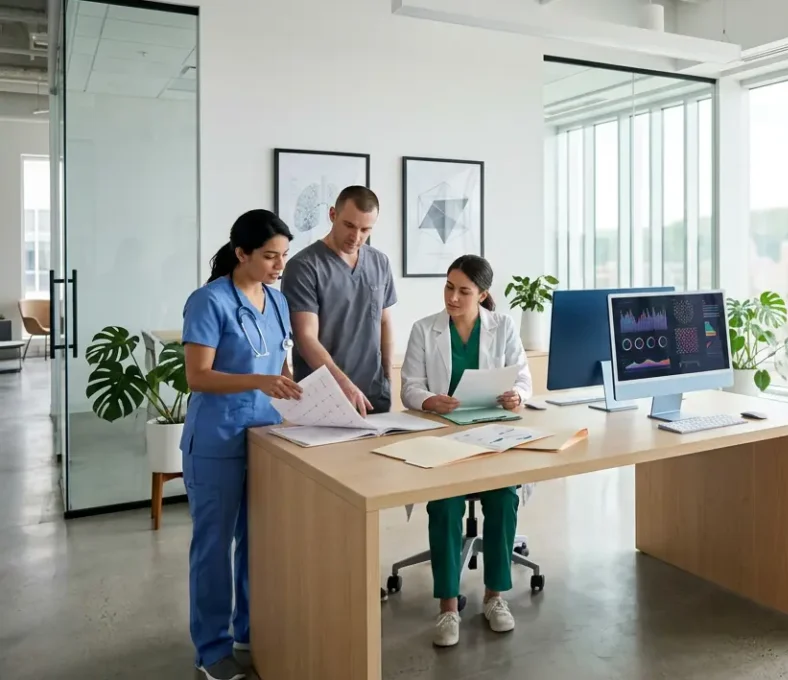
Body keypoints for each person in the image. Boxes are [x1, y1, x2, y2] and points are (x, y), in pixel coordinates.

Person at [180, 210, 302, 680]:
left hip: (267, 437)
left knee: (257, 543)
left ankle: (249, 631)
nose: (278, 265)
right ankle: (211, 650)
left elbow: (279, 366)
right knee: (213, 547)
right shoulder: (208, 302)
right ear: (241, 253)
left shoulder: (277, 302)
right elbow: (198, 376)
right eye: (270, 256)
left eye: (284, 256)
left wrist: (296, 395)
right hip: (216, 440)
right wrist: (263, 381)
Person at [400, 254, 532, 648]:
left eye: (463, 291)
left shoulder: (503, 327)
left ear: (483, 294)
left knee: (503, 497)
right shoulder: (425, 330)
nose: (452, 297)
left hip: (492, 436)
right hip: (442, 437)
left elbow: (523, 376)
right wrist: (428, 401)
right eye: (448, 287)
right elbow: (409, 386)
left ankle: (495, 597)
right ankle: (448, 606)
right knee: (444, 505)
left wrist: (517, 395)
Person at [282, 185, 396, 417]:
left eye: (365, 230)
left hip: (374, 397)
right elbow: (305, 338)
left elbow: (384, 322)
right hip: (323, 400)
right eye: (349, 226)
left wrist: (388, 378)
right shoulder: (304, 267)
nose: (356, 237)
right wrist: (344, 384)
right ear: (333, 215)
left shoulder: (379, 262)